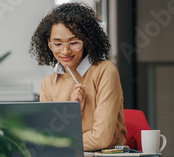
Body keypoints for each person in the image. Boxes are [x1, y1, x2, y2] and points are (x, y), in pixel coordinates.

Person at [29, 2, 127, 151]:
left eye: (74, 43)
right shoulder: (48, 84)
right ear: (49, 44)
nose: (65, 51)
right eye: (57, 44)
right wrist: (73, 111)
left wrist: (57, 142)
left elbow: (102, 138)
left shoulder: (104, 71)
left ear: (87, 41)